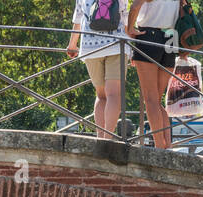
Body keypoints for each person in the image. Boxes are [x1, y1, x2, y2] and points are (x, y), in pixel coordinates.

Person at [68, 0, 132, 140]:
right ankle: (107, 139)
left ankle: (99, 137)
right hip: (117, 45)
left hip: (90, 47)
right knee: (114, 95)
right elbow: (126, 18)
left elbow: (78, 19)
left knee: (101, 95)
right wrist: (132, 48)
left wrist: (72, 45)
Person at [127, 0, 181, 149]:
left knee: (150, 99)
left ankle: (159, 148)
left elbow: (135, 6)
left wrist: (130, 28)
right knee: (156, 99)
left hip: (149, 36)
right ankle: (167, 146)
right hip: (172, 38)